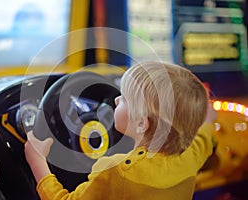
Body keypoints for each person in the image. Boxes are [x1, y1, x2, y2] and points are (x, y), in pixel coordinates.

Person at [24, 61, 216, 200]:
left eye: (124, 99)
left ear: (142, 124)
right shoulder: (190, 155)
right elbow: (203, 139)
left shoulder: (116, 171)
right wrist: (206, 120)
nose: (115, 100)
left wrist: (37, 161)